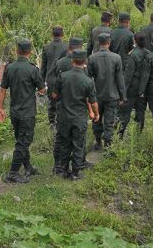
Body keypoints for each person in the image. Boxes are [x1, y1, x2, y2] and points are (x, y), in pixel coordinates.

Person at [0, 39, 46, 183]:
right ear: (30, 52)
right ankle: (13, 172)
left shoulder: (9, 67)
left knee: (20, 140)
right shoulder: (32, 69)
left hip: (14, 111)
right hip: (27, 112)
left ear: (16, 51)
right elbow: (42, 90)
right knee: (24, 142)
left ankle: (28, 167)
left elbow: (2, 89)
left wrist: (0, 107)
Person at [52, 50, 99, 180]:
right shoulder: (88, 81)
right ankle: (76, 172)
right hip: (79, 118)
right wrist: (96, 114)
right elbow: (93, 102)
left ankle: (63, 169)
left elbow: (54, 95)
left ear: (72, 61)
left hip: (64, 117)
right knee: (78, 144)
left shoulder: (62, 76)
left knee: (64, 143)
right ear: (85, 62)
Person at [87, 33, 126, 149]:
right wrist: (123, 96)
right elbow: (120, 79)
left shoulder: (92, 58)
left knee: (96, 119)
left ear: (99, 43)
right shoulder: (116, 58)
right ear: (109, 43)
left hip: (97, 95)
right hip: (112, 95)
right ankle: (108, 145)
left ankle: (98, 142)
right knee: (109, 121)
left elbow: (89, 78)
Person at [119, 33, 150, 138]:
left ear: (135, 41)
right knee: (141, 110)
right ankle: (138, 134)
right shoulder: (148, 53)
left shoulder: (133, 55)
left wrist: (123, 92)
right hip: (143, 86)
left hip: (133, 86)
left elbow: (128, 76)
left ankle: (120, 135)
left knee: (125, 111)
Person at [41, 26, 68, 127]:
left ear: (52, 35)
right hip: (63, 79)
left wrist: (41, 84)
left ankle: (52, 123)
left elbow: (43, 67)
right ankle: (61, 123)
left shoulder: (46, 47)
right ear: (62, 35)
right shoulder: (66, 47)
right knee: (63, 102)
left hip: (50, 79)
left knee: (52, 103)